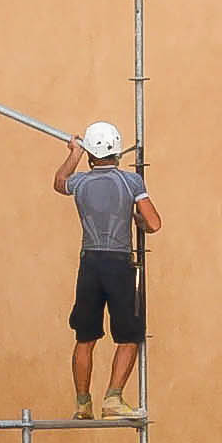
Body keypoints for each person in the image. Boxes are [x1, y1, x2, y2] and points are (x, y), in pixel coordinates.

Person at [53, 121, 162, 419]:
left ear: (90, 152)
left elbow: (60, 180)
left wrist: (74, 153)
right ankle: (113, 398)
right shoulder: (131, 182)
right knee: (129, 335)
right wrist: (137, 220)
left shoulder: (80, 183)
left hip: (89, 264)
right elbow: (153, 223)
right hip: (118, 264)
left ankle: (82, 403)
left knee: (85, 337)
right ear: (117, 150)